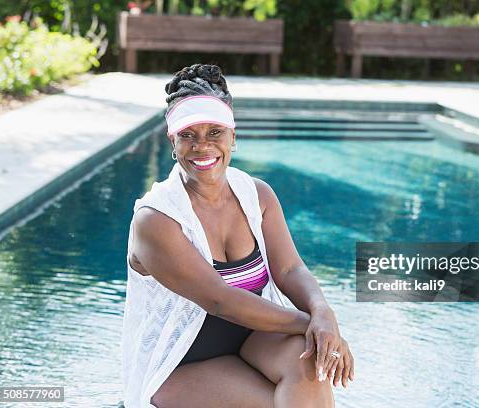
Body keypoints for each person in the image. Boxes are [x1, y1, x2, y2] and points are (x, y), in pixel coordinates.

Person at [121, 63, 354, 408]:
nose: (202, 146)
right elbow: (220, 300)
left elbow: (290, 270)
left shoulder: (257, 195)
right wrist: (318, 326)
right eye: (188, 135)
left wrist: (323, 312)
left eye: (214, 132)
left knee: (310, 365)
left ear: (233, 136)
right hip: (178, 364)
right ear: (173, 141)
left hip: (251, 341)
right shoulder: (156, 219)